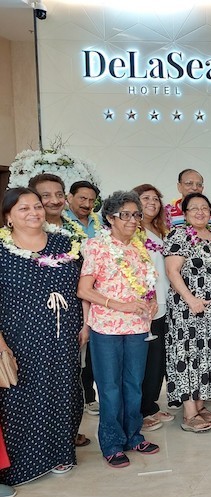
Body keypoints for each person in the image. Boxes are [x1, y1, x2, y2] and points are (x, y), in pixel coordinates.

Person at [0, 188, 84, 483]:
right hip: (19, 336)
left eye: (37, 206)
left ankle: (61, 453)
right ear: (8, 216)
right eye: (23, 208)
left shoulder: (64, 243)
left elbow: (83, 285)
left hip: (64, 333)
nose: (34, 212)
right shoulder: (1, 251)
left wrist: (84, 325)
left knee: (63, 390)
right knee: (22, 396)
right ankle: (24, 462)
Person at [77, 190, 161, 468]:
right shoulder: (97, 246)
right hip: (107, 328)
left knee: (133, 385)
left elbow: (147, 283)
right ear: (111, 218)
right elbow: (84, 289)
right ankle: (112, 443)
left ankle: (134, 436)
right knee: (110, 388)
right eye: (125, 214)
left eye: (136, 214)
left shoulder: (141, 246)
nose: (132, 220)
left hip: (138, 326)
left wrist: (153, 301)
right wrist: (118, 304)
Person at [29, 174, 93, 447]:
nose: (53, 200)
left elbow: (86, 279)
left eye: (58, 194)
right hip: (34, 322)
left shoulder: (74, 232)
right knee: (38, 380)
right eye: (45, 196)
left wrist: (86, 321)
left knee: (70, 379)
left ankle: (67, 430)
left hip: (71, 318)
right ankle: (42, 436)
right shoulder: (22, 235)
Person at [164, 193, 211, 433]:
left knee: (208, 355)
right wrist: (190, 299)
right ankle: (189, 413)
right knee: (188, 356)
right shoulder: (179, 235)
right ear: (184, 214)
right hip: (188, 310)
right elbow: (172, 272)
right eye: (194, 208)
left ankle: (201, 405)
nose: (200, 212)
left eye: (204, 208)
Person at [132, 184, 174, 431]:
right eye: (145, 198)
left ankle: (150, 404)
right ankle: (140, 410)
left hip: (163, 300)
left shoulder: (161, 229)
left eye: (156, 199)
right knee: (143, 360)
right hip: (142, 304)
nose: (152, 202)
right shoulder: (130, 230)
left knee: (158, 359)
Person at [64, 180, 102, 416]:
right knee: (76, 343)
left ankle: (89, 395)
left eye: (91, 200)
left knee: (93, 343)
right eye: (82, 198)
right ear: (70, 197)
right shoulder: (61, 223)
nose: (87, 204)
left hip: (97, 291)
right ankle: (76, 398)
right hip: (71, 290)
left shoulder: (98, 224)